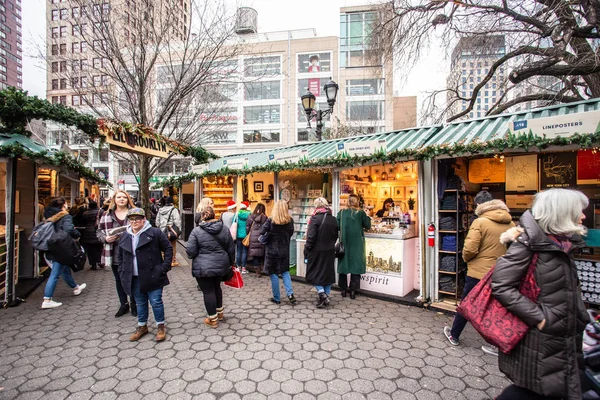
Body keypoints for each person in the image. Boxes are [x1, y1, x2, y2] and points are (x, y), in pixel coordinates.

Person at [492, 189, 590, 400]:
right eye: (579, 211)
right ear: (561, 213)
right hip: (541, 338)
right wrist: (540, 318)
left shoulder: (561, 245)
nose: (583, 216)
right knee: (532, 389)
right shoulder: (529, 244)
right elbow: (501, 286)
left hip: (565, 334)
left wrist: (580, 315)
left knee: (561, 385)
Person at [443, 192, 515, 356]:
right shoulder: (510, 222)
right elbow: (513, 249)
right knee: (497, 307)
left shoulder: (480, 222)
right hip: (501, 271)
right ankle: (498, 344)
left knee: (467, 303)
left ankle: (454, 335)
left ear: (479, 205)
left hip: (478, 272)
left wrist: (467, 260)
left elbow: (469, 249)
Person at [118, 208, 173, 342]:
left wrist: (164, 267)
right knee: (140, 302)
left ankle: (160, 325)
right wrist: (122, 270)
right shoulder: (125, 235)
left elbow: (168, 248)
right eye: (131, 219)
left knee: (156, 301)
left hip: (153, 274)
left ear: (144, 219)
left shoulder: (154, 233)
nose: (134, 221)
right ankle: (142, 326)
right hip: (134, 276)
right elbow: (120, 256)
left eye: (137, 218)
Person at [186, 206, 235, 328]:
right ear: (214, 215)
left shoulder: (196, 231)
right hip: (221, 265)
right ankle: (220, 313)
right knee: (217, 287)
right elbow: (231, 248)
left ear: (202, 217)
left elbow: (190, 252)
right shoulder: (224, 229)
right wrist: (231, 263)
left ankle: (212, 319)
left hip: (203, 267)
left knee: (208, 291)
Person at [40, 197, 87, 309]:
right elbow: (68, 229)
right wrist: (77, 234)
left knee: (64, 269)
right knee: (55, 273)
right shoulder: (65, 215)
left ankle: (75, 288)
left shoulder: (47, 214)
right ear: (64, 205)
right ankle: (47, 299)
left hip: (50, 245)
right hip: (61, 246)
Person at [97, 190, 137, 318]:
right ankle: (123, 304)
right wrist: (105, 239)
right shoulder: (106, 214)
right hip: (114, 252)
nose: (121, 199)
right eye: (119, 197)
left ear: (128, 199)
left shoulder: (135, 213)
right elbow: (99, 232)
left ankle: (134, 303)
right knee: (119, 280)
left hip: (131, 251)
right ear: (114, 199)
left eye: (124, 197)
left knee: (133, 278)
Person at [304, 197, 338, 308]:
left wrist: (307, 248)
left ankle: (322, 295)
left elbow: (311, 237)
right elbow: (335, 235)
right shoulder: (333, 218)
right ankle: (326, 296)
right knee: (327, 274)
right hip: (329, 250)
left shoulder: (314, 219)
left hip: (316, 251)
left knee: (314, 273)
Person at [260, 200, 296, 304]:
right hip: (284, 250)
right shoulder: (290, 221)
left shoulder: (271, 221)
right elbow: (290, 233)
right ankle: (290, 294)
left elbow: (262, 231)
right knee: (285, 272)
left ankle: (277, 298)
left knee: (273, 273)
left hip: (272, 251)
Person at [337, 194, 371, 299]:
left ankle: (343, 290)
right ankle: (353, 291)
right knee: (355, 266)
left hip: (345, 243)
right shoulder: (360, 213)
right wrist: (368, 215)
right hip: (357, 244)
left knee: (343, 265)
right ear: (357, 202)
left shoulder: (341, 213)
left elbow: (337, 226)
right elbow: (368, 226)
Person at [156, 196, 181, 267]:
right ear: (172, 203)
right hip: (171, 231)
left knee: (162, 245)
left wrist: (161, 227)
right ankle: (172, 261)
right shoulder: (174, 210)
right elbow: (177, 221)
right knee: (172, 245)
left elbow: (157, 222)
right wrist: (177, 230)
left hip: (162, 231)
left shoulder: (160, 210)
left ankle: (164, 259)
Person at [80, 200, 103, 270]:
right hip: (98, 232)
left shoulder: (85, 213)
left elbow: (82, 223)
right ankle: (99, 261)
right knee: (99, 248)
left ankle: (93, 264)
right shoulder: (100, 212)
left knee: (90, 250)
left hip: (88, 233)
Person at [246, 203, 268, 274]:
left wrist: (248, 233)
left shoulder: (251, 216)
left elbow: (247, 227)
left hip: (253, 237)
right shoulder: (265, 217)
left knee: (255, 254)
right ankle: (261, 267)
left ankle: (256, 269)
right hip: (261, 237)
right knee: (261, 252)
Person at [235, 200, 251, 274]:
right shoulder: (249, 214)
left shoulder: (237, 214)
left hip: (238, 235)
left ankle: (238, 267)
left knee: (239, 251)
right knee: (245, 251)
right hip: (246, 236)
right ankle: (244, 268)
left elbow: (234, 223)